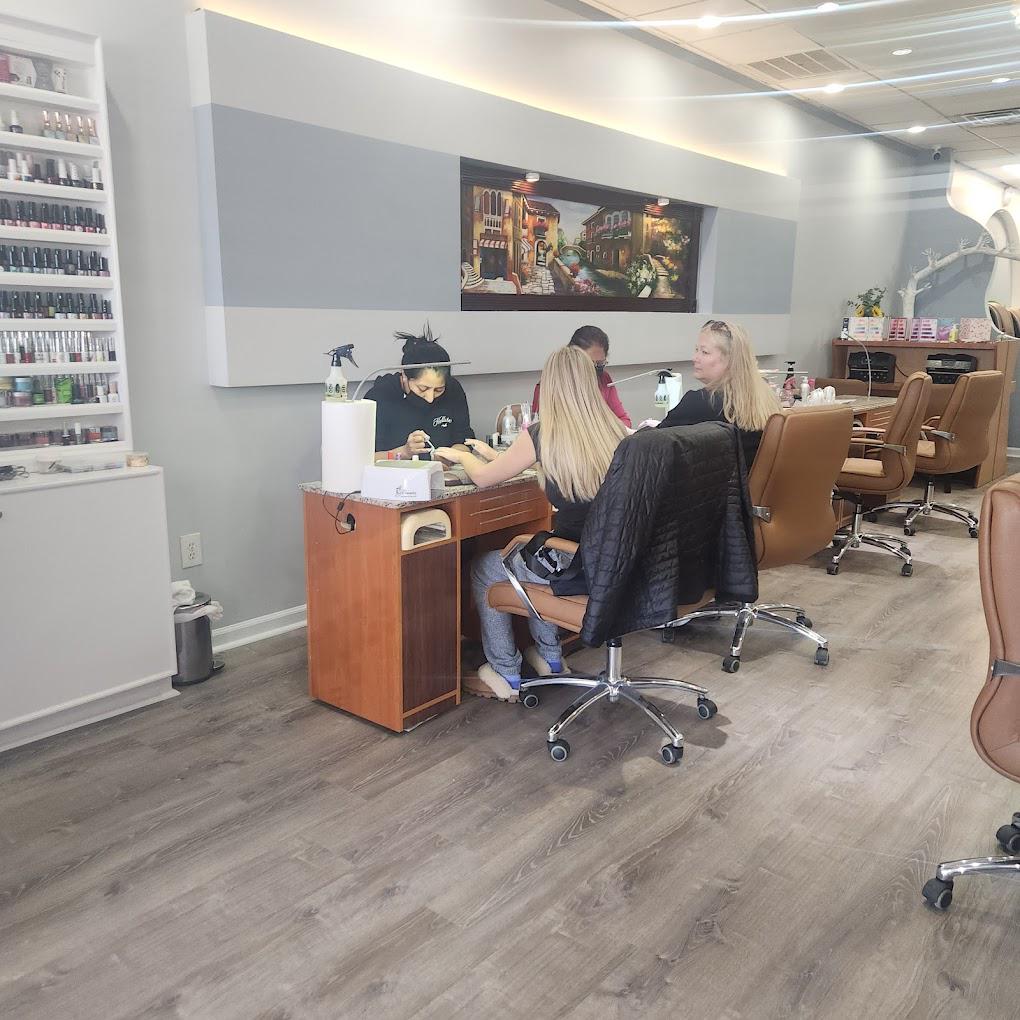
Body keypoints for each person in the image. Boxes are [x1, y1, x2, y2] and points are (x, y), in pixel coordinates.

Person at [435, 346, 629, 701]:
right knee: (538, 554)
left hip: (572, 564)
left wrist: (463, 456)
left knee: (485, 568)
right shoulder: (617, 431)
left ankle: (505, 671)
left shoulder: (544, 433)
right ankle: (550, 658)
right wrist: (497, 456)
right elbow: (546, 464)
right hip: (612, 563)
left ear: (550, 386)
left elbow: (483, 478)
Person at [657, 319, 779, 465]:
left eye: (705, 352)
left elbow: (651, 445)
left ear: (730, 360)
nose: (695, 358)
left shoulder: (701, 402)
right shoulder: (766, 397)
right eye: (696, 350)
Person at [364, 324, 475, 458]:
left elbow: (465, 441)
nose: (430, 398)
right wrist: (404, 452)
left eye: (439, 390)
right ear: (404, 375)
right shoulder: (380, 396)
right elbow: (366, 457)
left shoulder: (453, 390)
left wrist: (449, 456)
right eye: (423, 388)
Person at [532, 325, 632, 427]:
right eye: (588, 363)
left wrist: (604, 430)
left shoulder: (604, 380)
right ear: (572, 357)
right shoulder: (550, 385)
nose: (593, 369)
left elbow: (624, 420)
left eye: (600, 363)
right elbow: (541, 429)